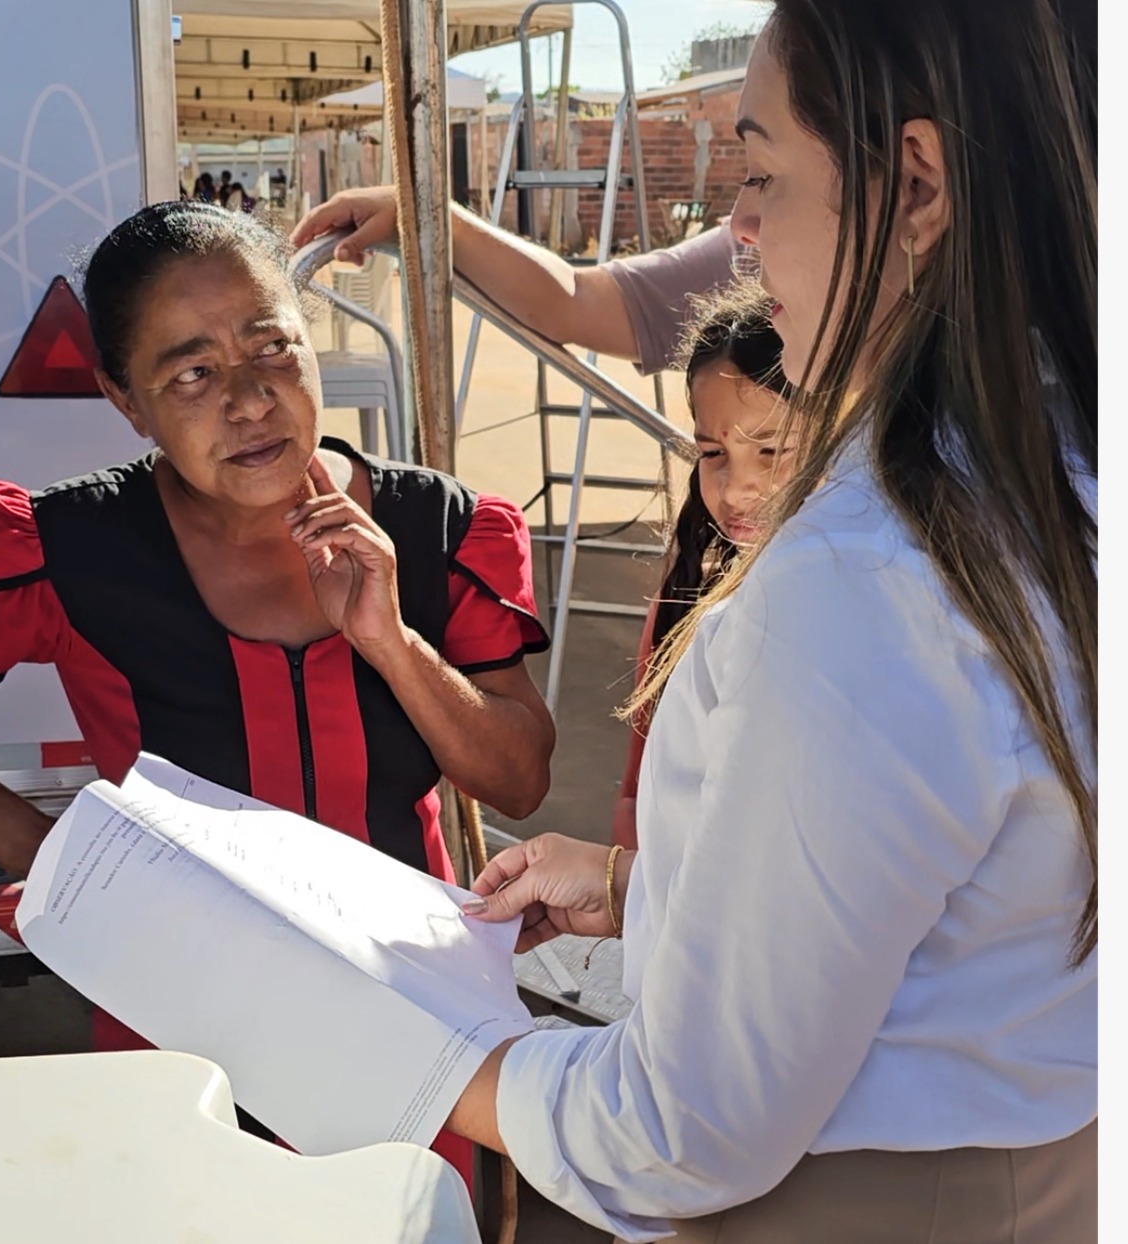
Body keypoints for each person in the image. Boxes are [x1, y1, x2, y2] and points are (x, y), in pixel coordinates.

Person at [445, 1, 1096, 1239]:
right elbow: (970, 899)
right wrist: (652, 881)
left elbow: (680, 1132)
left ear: (917, 186)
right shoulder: (1052, 479)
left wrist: (421, 1047)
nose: (736, 230)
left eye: (759, 172)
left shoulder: (869, 577)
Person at [0, 199, 555, 1186]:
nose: (251, 398)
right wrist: (39, 846)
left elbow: (516, 776)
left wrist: (391, 641)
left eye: (274, 348)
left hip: (411, 1024)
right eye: (192, 373)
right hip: (172, 1029)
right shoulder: (67, 551)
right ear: (126, 402)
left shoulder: (438, 531)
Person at [613, 297, 791, 851]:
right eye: (713, 453)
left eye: (772, 451)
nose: (737, 489)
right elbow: (635, 793)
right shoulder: (687, 598)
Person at [292, 185, 743, 379]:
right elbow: (574, 301)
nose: (742, 216)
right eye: (749, 174)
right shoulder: (748, 253)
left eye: (770, 174)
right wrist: (427, 214)